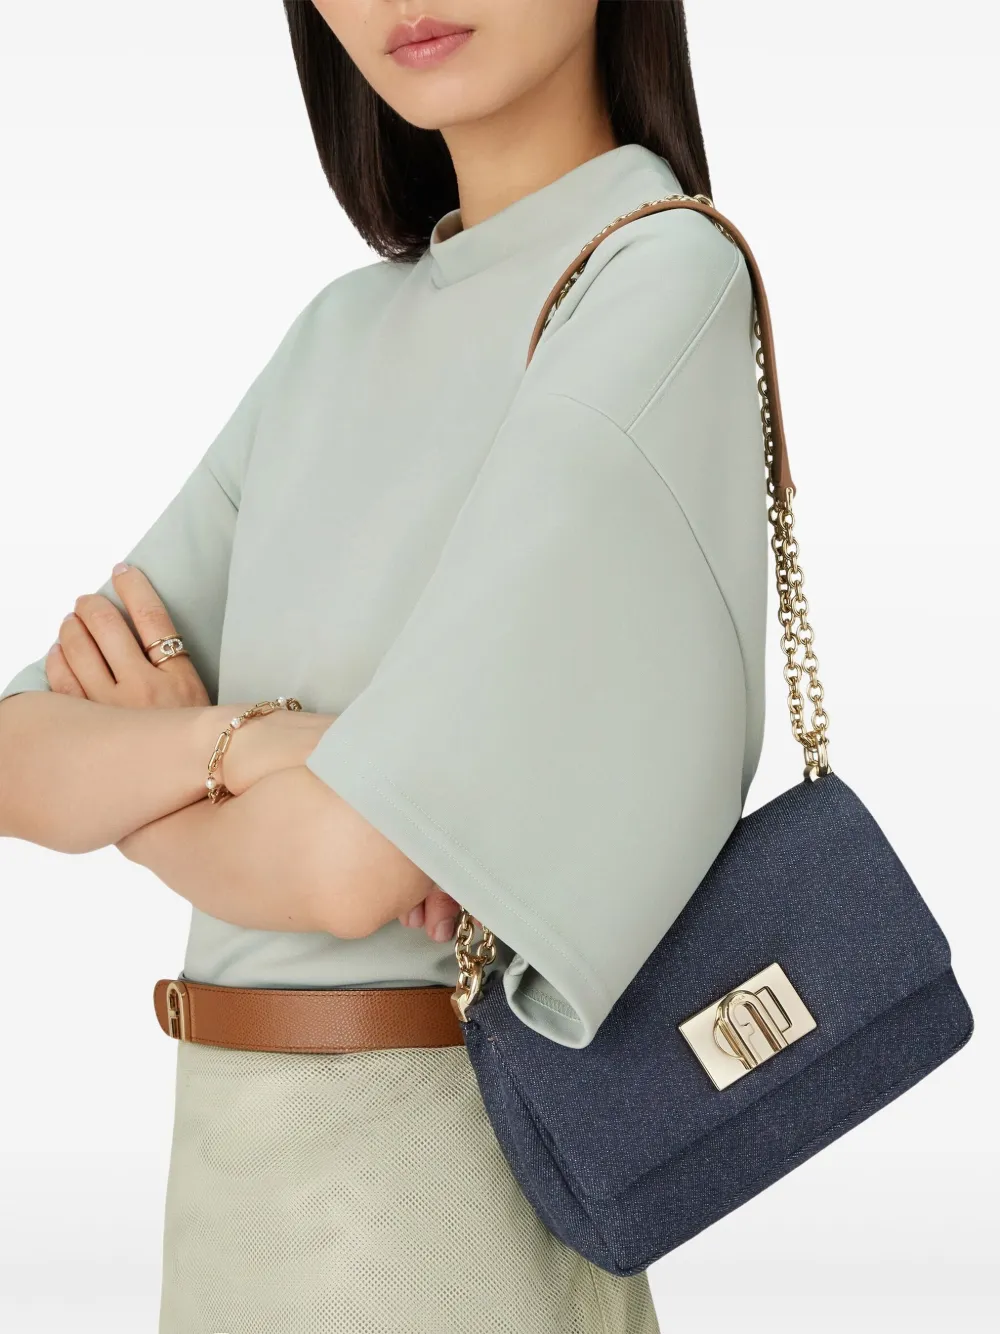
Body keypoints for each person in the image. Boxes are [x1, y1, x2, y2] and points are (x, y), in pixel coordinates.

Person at [0, 2, 769, 1330]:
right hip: (231, 1198)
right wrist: (256, 750)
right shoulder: (336, 336)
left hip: (442, 1201)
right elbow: (18, 752)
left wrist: (160, 770)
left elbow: (351, 864)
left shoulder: (656, 277)